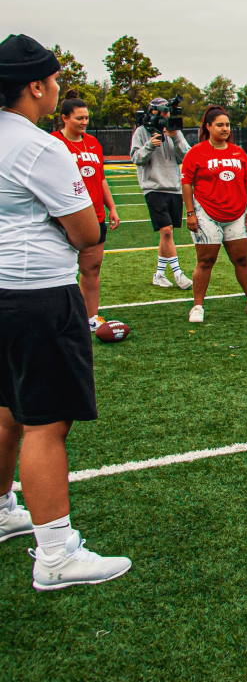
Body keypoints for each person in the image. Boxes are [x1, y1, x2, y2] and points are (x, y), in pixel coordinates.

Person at [0, 33, 131, 588]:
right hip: (38, 293)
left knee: (8, 407)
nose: (58, 90)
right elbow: (85, 231)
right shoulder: (39, 146)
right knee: (47, 423)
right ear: (35, 86)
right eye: (53, 81)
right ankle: (55, 554)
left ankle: (5, 507)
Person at [180, 106, 247, 323]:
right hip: (206, 213)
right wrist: (190, 213)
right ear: (208, 127)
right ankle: (198, 306)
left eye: (227, 125)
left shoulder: (238, 152)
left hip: (236, 213)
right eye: (219, 125)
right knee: (205, 260)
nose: (225, 128)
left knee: (242, 259)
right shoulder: (196, 152)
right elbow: (186, 183)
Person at [51, 92, 119, 330]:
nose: (84, 122)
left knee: (92, 268)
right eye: (79, 118)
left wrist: (111, 207)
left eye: (87, 118)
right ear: (64, 118)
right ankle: (60, 317)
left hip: (95, 216)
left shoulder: (93, 143)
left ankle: (90, 317)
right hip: (64, 218)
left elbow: (100, 178)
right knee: (60, 270)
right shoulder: (53, 143)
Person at [131, 95, 192, 290]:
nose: (166, 116)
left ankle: (158, 274)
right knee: (166, 231)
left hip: (174, 187)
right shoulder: (141, 132)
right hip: (153, 187)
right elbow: (136, 158)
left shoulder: (174, 130)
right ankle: (178, 273)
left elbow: (187, 157)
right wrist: (150, 145)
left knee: (167, 234)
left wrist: (175, 136)